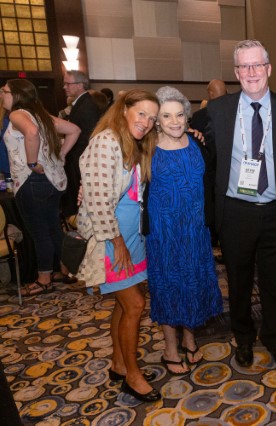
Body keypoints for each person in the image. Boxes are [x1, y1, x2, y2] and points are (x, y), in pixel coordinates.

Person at [206, 39, 276, 368]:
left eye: (257, 65)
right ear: (236, 73)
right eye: (244, 66)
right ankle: (244, 338)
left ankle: (275, 338)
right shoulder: (217, 111)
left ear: (269, 68)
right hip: (235, 212)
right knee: (238, 282)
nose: (251, 72)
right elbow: (207, 162)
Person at [76, 89, 161, 402]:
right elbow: (98, 202)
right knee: (135, 305)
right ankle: (133, 377)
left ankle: (120, 364)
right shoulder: (106, 141)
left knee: (124, 305)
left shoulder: (132, 143)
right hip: (112, 240)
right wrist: (117, 242)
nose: (146, 122)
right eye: (141, 113)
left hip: (131, 237)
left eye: (151, 118)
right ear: (124, 109)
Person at [143, 86, 222, 374]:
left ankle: (190, 339)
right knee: (167, 286)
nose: (175, 121)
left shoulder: (197, 143)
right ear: (157, 120)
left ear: (187, 116)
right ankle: (170, 349)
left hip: (194, 230)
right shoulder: (146, 149)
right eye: (166, 116)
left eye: (179, 115)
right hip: (163, 233)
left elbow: (211, 180)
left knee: (192, 283)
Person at [1, 79, 80, 296]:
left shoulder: (17, 114)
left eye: (4, 91)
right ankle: (65, 270)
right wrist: (61, 154)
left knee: (39, 232)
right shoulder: (41, 115)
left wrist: (32, 162)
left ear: (16, 95)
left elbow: (32, 133)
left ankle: (44, 279)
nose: (1, 95)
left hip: (32, 180)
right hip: (53, 181)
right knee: (53, 228)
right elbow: (74, 130)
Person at [61, 71, 101, 219]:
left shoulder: (87, 105)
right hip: (77, 158)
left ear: (80, 85)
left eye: (68, 84)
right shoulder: (81, 102)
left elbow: (90, 138)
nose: (64, 87)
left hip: (82, 159)